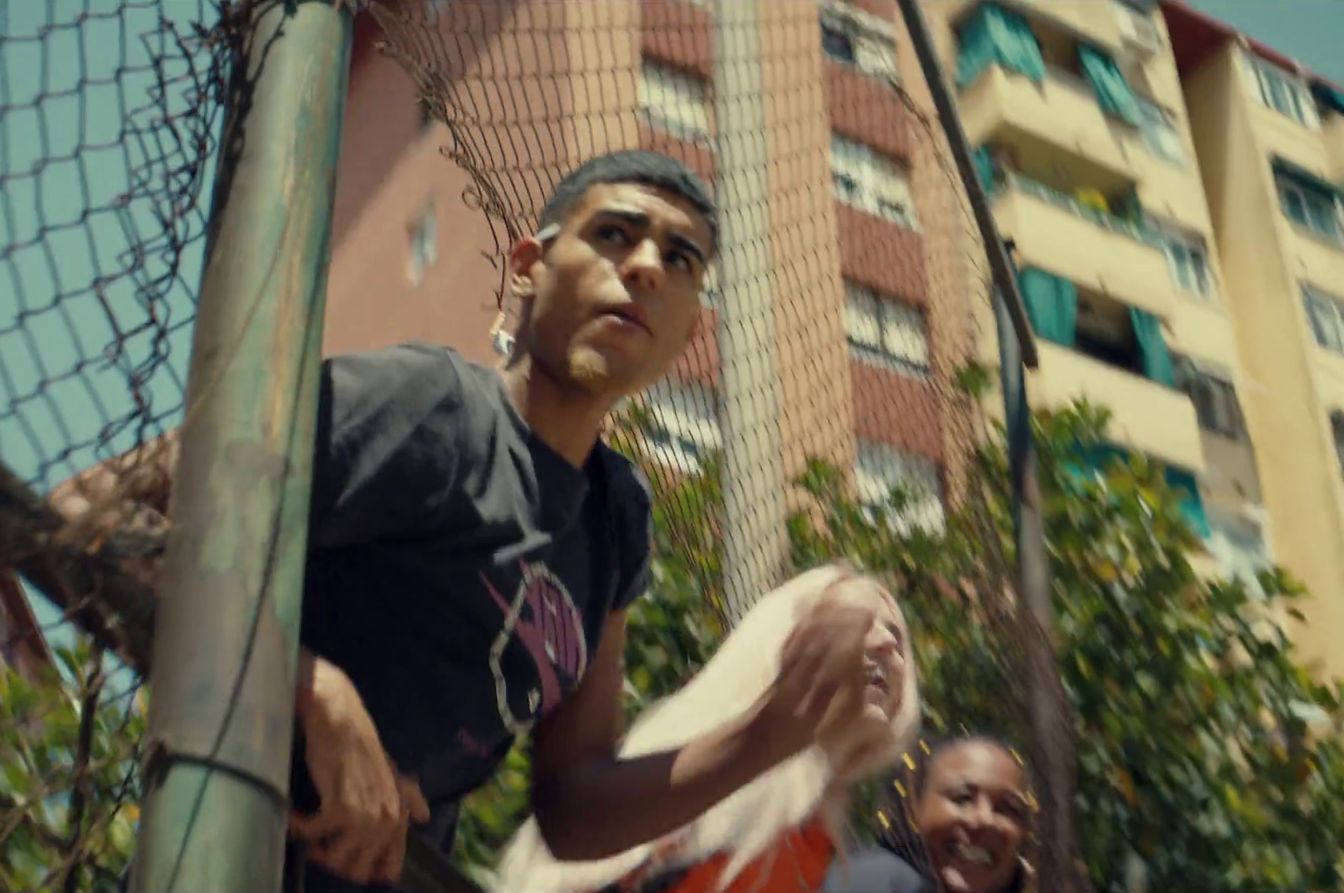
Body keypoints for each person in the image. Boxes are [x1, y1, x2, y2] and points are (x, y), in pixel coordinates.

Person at [54, 150, 891, 892]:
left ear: (686, 332)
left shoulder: (617, 520)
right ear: (529, 263)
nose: (645, 268)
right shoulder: (430, 408)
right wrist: (311, 690)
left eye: (679, 259)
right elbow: (95, 510)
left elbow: (572, 805)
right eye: (614, 235)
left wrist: (776, 732)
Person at [495, 565, 920, 893]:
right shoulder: (711, 775)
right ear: (788, 641)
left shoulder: (819, 835)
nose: (886, 644)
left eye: (897, 636)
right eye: (860, 624)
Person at [819, 736, 1032, 893]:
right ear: (913, 809)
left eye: (1007, 808)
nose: (985, 818)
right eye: (962, 798)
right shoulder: (876, 880)